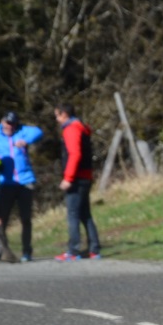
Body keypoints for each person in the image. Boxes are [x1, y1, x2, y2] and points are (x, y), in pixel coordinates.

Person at [0, 112, 42, 263]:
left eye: (13, 124)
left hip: (25, 181)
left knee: (26, 219)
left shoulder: (22, 132)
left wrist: (25, 140)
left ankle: (27, 251)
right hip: (6, 183)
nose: (10, 127)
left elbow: (38, 132)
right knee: (1, 219)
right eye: (7, 123)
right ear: (2, 122)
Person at [54, 104, 102, 261]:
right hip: (86, 175)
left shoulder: (71, 129)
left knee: (73, 214)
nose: (57, 119)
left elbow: (74, 154)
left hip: (76, 178)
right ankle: (94, 249)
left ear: (64, 114)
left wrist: (68, 178)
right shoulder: (82, 127)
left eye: (58, 115)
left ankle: (73, 250)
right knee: (85, 214)